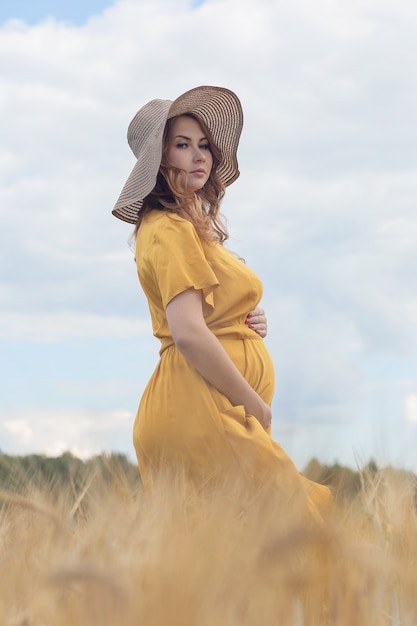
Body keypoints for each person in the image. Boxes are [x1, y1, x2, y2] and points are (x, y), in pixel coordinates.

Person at [112, 86, 332, 522]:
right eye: (182, 145)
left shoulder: (180, 228)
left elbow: (205, 316)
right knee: (294, 538)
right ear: (159, 160)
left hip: (209, 406)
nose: (199, 156)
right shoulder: (170, 229)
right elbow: (189, 332)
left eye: (204, 146)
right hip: (203, 407)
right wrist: (253, 402)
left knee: (238, 567)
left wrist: (244, 322)